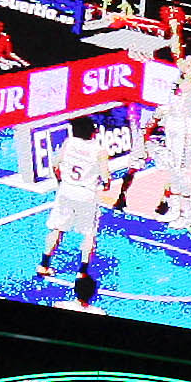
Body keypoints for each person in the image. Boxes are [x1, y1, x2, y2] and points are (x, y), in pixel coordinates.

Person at [34, 114, 112, 286]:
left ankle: (44, 264)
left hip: (66, 190)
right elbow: (106, 178)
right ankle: (82, 272)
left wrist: (60, 181)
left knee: (57, 228)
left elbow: (55, 165)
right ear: (93, 132)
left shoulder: (69, 143)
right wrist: (106, 185)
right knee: (88, 233)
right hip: (86, 194)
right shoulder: (99, 151)